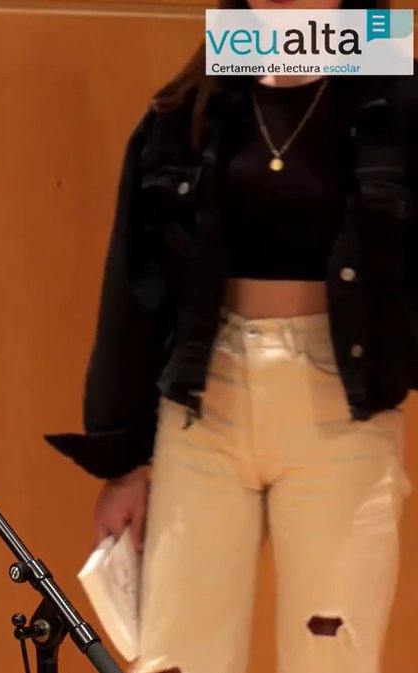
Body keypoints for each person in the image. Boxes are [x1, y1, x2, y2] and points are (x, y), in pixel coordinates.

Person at [46, 2, 416, 672]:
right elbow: (133, 291)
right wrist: (123, 461)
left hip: (343, 408)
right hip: (205, 403)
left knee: (332, 653)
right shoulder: (192, 103)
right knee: (177, 655)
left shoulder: (396, 96)